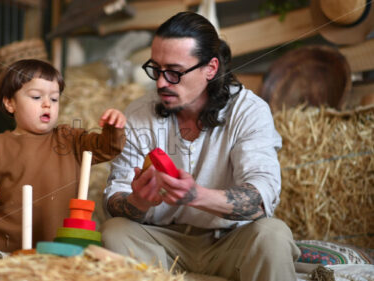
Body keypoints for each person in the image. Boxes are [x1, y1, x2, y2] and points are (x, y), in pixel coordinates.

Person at [101, 11, 300, 281]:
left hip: (230, 242)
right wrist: (137, 201)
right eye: (156, 69)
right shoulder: (138, 114)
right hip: (163, 244)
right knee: (115, 231)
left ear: (211, 68)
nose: (161, 82)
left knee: (273, 235)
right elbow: (115, 200)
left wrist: (195, 196)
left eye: (174, 72)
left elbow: (260, 200)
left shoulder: (249, 111)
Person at [0, 59, 126, 254]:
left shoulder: (70, 139)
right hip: (6, 249)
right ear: (10, 103)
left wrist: (113, 128)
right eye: (36, 97)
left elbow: (107, 148)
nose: (47, 105)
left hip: (59, 247)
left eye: (54, 99)